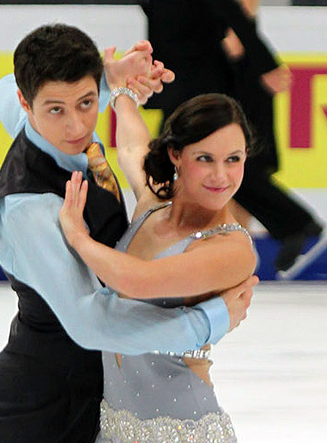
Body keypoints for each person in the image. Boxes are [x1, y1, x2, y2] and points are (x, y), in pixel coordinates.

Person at [0, 24, 256, 443]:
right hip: (33, 412)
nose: (77, 126)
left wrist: (112, 78)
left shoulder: (55, 132)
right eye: (55, 110)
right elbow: (89, 320)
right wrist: (208, 323)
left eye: (86, 102)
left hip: (101, 405)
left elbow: (1, 89)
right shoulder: (31, 211)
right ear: (25, 105)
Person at [59, 91, 257, 442]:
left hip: (185, 431)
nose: (221, 175)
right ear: (176, 154)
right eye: (205, 158)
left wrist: (78, 237)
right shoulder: (151, 206)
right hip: (116, 427)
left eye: (233, 159)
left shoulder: (231, 248)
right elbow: (134, 147)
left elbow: (138, 281)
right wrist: (123, 94)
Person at [138, 0, 325, 277]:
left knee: (192, 159)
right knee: (179, 161)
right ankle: (291, 224)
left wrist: (264, 63)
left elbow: (231, 9)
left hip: (203, 79)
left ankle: (293, 224)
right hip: (180, 79)